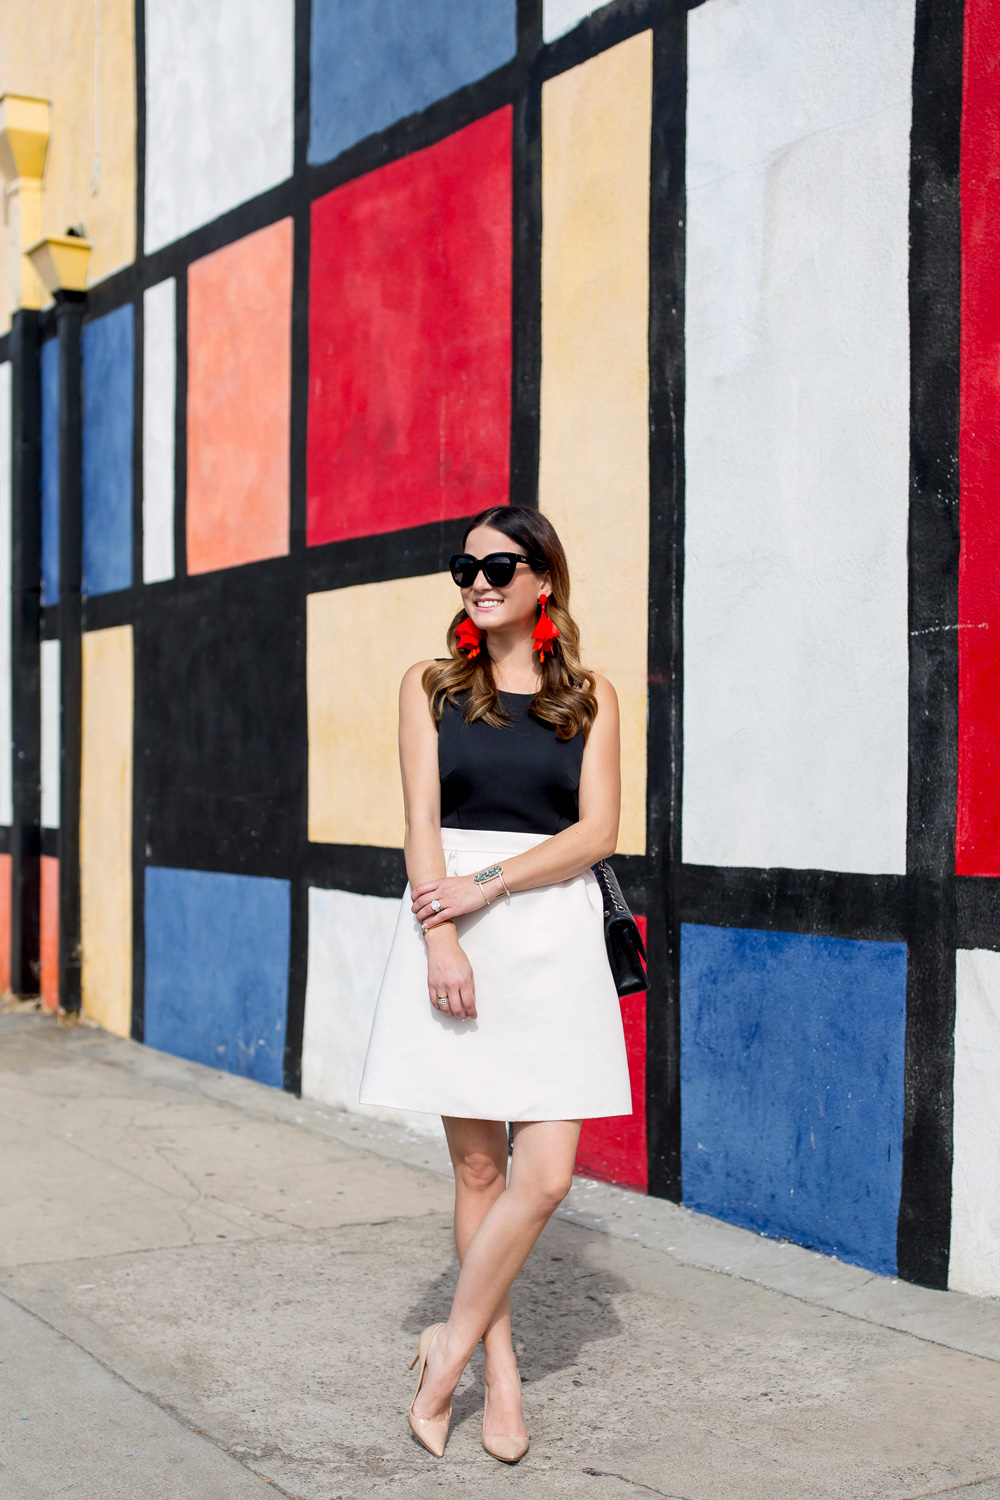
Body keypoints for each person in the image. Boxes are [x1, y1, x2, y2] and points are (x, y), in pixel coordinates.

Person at [359, 504, 632, 1463]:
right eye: (463, 565)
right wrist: (443, 938)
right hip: (453, 935)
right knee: (480, 1169)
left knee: (545, 1175)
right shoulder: (429, 685)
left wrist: (491, 884)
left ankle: (445, 1351)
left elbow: (597, 833)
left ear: (542, 579)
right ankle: (499, 1375)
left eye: (499, 564)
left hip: (550, 932)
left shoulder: (591, 692)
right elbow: (419, 824)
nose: (477, 579)